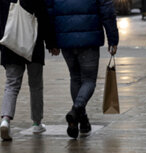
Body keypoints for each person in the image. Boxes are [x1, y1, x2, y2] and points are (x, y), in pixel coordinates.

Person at [46, 0, 118, 139]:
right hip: (89, 38)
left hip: (65, 36)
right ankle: (76, 109)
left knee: (75, 78)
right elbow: (107, 10)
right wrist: (113, 39)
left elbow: (49, 11)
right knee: (89, 80)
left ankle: (82, 121)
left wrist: (51, 41)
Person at [0, 0, 58, 141]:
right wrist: (51, 43)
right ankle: (37, 123)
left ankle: (5, 120)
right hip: (33, 46)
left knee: (11, 84)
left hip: (10, 45)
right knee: (36, 86)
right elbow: (44, 19)